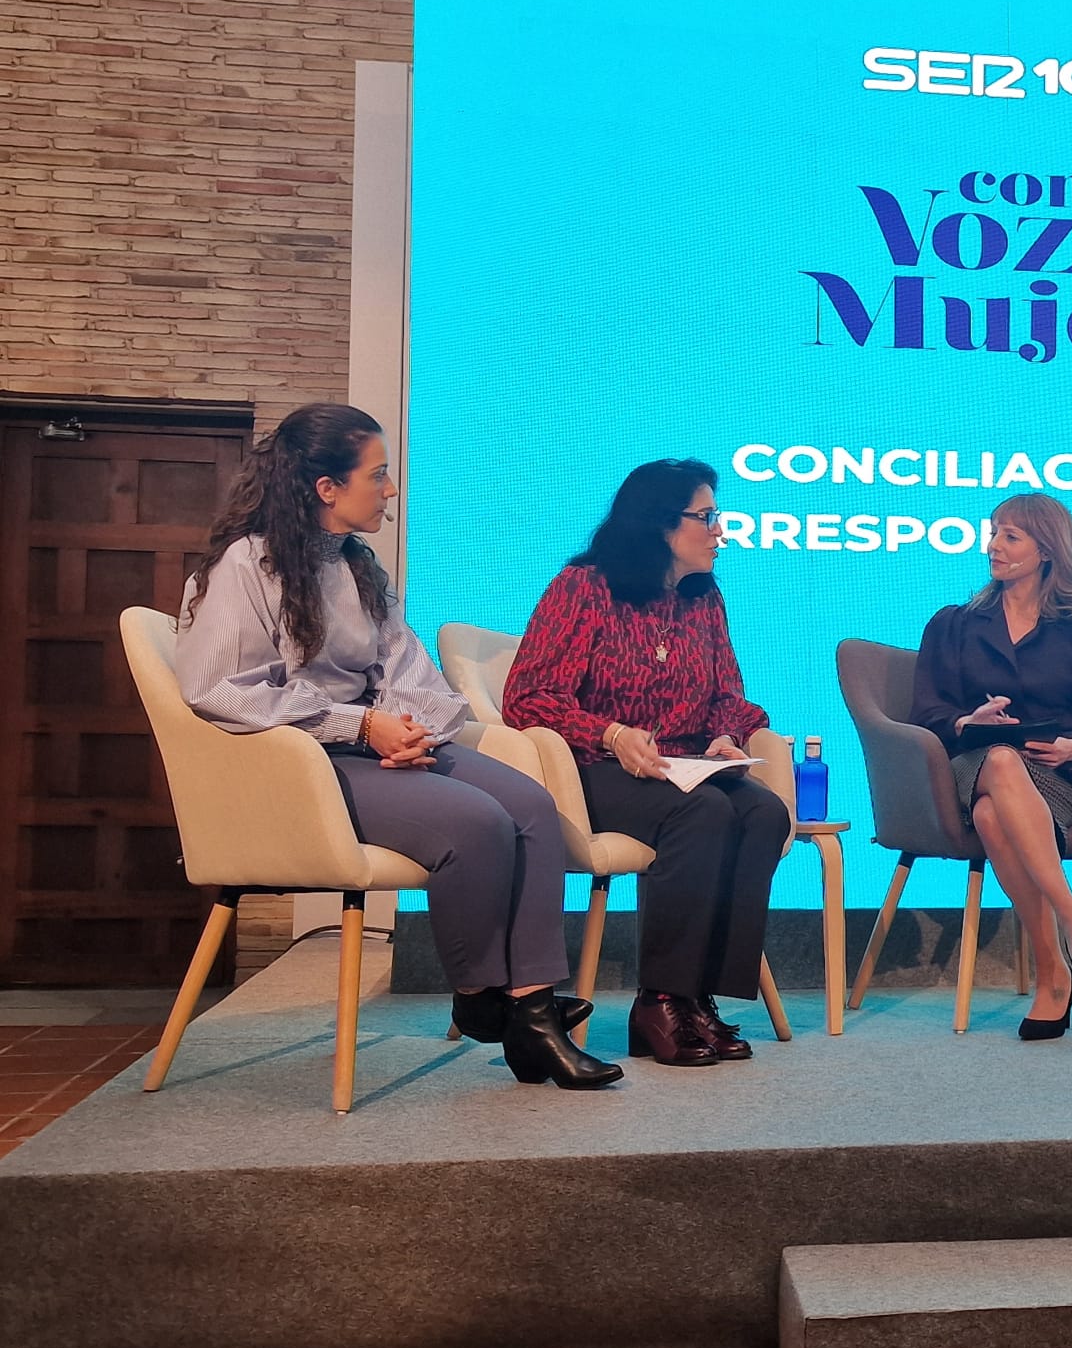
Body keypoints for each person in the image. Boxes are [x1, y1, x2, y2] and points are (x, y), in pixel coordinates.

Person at [176, 403, 620, 1090]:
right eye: (377, 476)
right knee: (474, 823)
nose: (390, 490)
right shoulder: (248, 565)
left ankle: (531, 1011)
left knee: (531, 805)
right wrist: (358, 726)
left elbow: (410, 673)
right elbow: (222, 690)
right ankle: (484, 997)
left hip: (374, 743)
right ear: (328, 488)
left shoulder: (358, 567)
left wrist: (412, 730)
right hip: (305, 762)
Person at [504, 459, 787, 1068]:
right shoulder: (585, 587)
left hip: (681, 767)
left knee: (764, 812)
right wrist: (609, 733)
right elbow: (526, 697)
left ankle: (698, 998)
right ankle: (659, 1000)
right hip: (594, 769)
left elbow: (728, 697)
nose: (721, 530)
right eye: (707, 517)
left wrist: (727, 735)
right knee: (704, 814)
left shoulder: (703, 597)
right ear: (661, 524)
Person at [911, 493, 1072, 1041]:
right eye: (993, 533)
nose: (993, 545)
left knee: (994, 815)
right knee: (998, 764)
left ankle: (1053, 972)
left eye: (1010, 536)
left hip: (1055, 778)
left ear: (1047, 551)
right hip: (969, 765)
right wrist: (969, 720)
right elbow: (925, 712)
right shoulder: (955, 624)